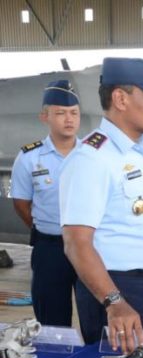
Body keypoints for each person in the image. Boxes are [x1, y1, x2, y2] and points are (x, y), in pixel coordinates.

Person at [59, 58, 143, 353]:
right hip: (115, 293)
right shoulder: (91, 158)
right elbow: (77, 244)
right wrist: (114, 302)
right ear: (120, 99)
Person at [10, 80, 80, 327]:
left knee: (97, 319)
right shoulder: (29, 157)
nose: (69, 120)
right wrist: (44, 227)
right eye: (60, 113)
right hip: (50, 248)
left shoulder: (93, 154)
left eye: (74, 113)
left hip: (91, 248)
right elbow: (21, 202)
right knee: (52, 319)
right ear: (45, 116)